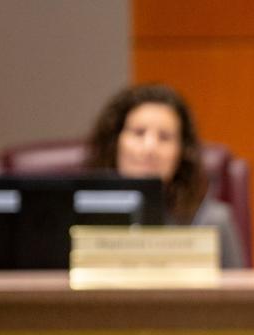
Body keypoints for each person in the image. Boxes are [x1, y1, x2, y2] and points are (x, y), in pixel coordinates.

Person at [86, 84, 245, 268]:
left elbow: (239, 296)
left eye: (165, 137)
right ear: (115, 143)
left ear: (182, 152)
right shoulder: (80, 218)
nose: (150, 148)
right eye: (138, 133)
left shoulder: (211, 222)